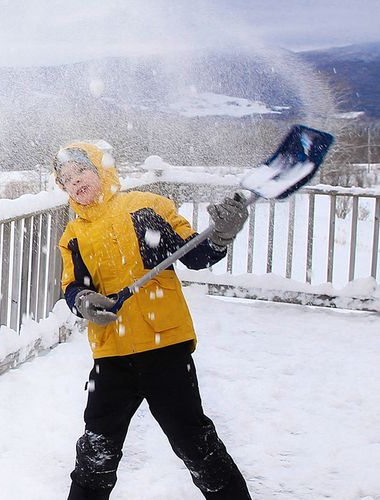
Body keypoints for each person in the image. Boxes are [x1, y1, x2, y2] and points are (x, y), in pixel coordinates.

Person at [53, 141, 252, 500]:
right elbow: (73, 286)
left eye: (81, 170)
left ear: (101, 169)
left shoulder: (147, 206)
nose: (75, 181)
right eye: (66, 178)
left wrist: (222, 235)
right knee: (95, 454)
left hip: (165, 348)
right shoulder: (73, 237)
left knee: (196, 445)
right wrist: (84, 301)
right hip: (111, 354)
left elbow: (196, 255)